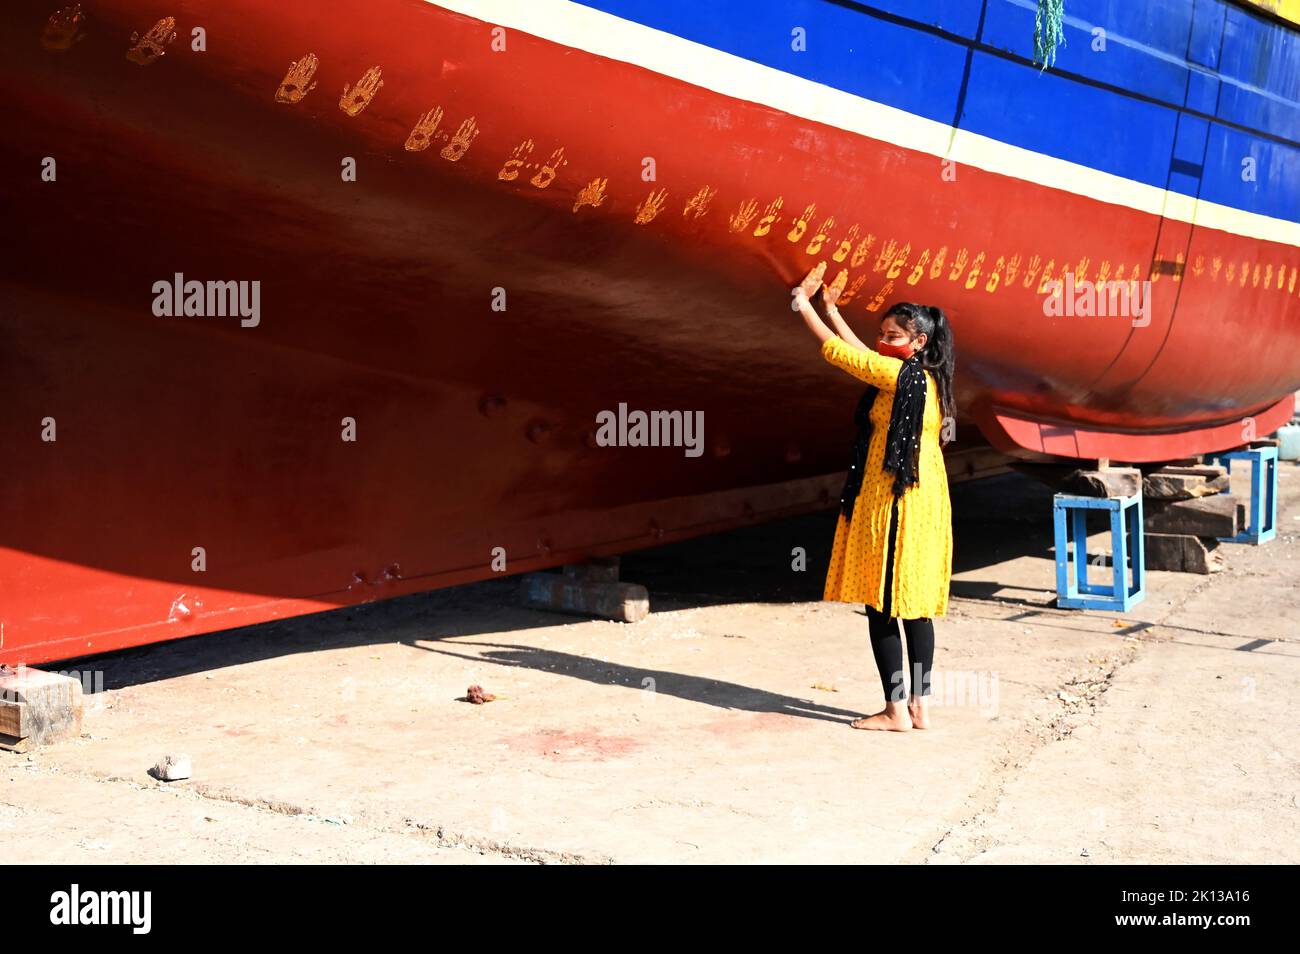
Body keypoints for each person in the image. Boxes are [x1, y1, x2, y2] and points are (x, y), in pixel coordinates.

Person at [792, 262, 956, 731]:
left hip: (896, 502)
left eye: (893, 334)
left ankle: (893, 710)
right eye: (882, 332)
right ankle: (919, 707)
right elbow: (866, 354)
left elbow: (844, 355)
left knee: (882, 604)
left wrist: (801, 305)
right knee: (916, 607)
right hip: (925, 501)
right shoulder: (920, 378)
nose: (884, 339)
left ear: (918, 340)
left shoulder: (900, 378)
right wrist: (832, 308)